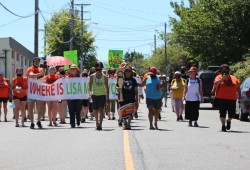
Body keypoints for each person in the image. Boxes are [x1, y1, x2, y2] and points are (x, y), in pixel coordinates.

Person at [214, 64, 241, 132]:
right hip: (221, 98)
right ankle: (223, 126)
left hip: (232, 99)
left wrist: (239, 95)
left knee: (232, 114)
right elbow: (216, 84)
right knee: (222, 113)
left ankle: (228, 121)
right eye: (223, 71)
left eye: (226, 71)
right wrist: (223, 79)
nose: (225, 72)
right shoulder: (219, 77)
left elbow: (238, 87)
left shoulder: (234, 78)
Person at [89, 61, 109, 130]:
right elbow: (89, 86)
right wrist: (90, 93)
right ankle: (96, 122)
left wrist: (108, 97)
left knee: (101, 109)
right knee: (95, 109)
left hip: (102, 94)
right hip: (94, 94)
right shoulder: (92, 76)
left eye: (100, 68)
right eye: (97, 68)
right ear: (95, 68)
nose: (99, 69)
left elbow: (107, 87)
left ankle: (100, 124)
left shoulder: (105, 77)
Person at [26, 57, 45, 129]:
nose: (37, 63)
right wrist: (41, 74)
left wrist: (43, 74)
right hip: (31, 90)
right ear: (33, 62)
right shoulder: (30, 69)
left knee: (39, 107)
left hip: (39, 90)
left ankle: (39, 121)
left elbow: (43, 79)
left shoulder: (41, 69)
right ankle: (32, 122)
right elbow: (31, 76)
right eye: (36, 61)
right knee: (30, 106)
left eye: (38, 61)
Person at [67, 64, 82, 128]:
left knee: (78, 109)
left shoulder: (80, 77)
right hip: (70, 96)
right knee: (71, 110)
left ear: (76, 70)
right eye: (72, 69)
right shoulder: (67, 78)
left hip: (78, 96)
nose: (73, 70)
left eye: (74, 69)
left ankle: (78, 119)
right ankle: (72, 123)